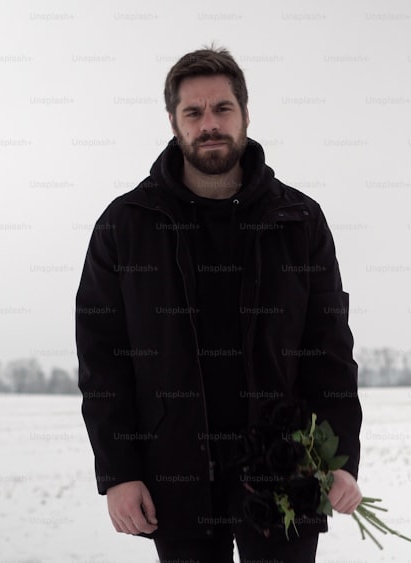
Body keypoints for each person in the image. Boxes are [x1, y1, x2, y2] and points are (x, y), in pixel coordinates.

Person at [75, 43, 363, 563]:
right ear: (173, 121)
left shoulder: (298, 220)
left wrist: (340, 458)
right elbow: (103, 361)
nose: (209, 123)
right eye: (194, 111)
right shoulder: (126, 225)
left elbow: (330, 353)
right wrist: (119, 472)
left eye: (222, 108)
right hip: (175, 474)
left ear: (245, 114)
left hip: (285, 473)